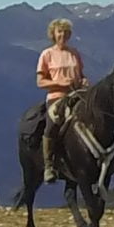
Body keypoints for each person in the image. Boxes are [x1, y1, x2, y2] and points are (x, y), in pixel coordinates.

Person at [35, 18, 87, 179]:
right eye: (59, 31)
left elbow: (81, 74)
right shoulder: (47, 54)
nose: (62, 34)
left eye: (65, 32)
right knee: (52, 125)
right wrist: (58, 82)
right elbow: (40, 81)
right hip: (56, 96)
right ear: (53, 34)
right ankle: (49, 166)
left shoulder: (74, 53)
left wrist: (83, 81)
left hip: (77, 94)